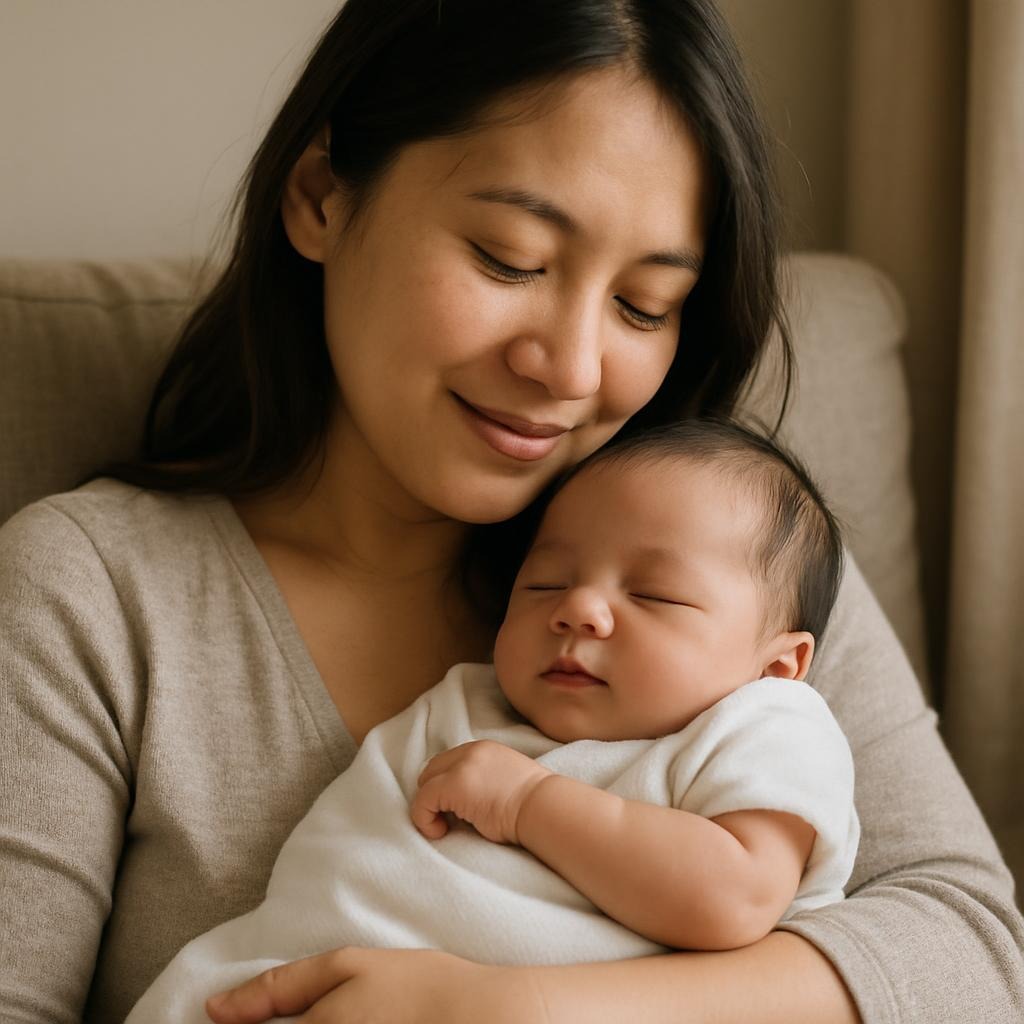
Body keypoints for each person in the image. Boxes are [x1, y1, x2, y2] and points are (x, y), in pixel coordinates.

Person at [0, 1, 1020, 1022]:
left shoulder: (725, 557)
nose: (570, 368)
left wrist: (515, 1010)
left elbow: (971, 953)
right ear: (320, 195)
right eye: (509, 258)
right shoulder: (92, 597)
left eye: (642, 306)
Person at [125, 419, 859, 1023]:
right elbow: (345, 869)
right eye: (546, 582)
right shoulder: (466, 708)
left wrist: (528, 803)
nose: (578, 608)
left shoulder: (762, 725)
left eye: (656, 594)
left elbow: (731, 899)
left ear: (778, 666)